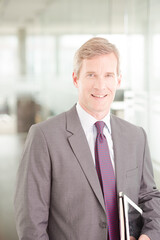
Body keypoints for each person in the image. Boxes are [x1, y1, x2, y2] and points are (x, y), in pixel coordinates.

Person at [14, 37, 160, 240]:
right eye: (91, 74)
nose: (101, 85)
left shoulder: (136, 136)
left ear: (118, 80)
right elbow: (31, 223)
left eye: (108, 75)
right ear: (75, 79)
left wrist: (150, 235)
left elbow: (148, 196)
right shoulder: (44, 137)